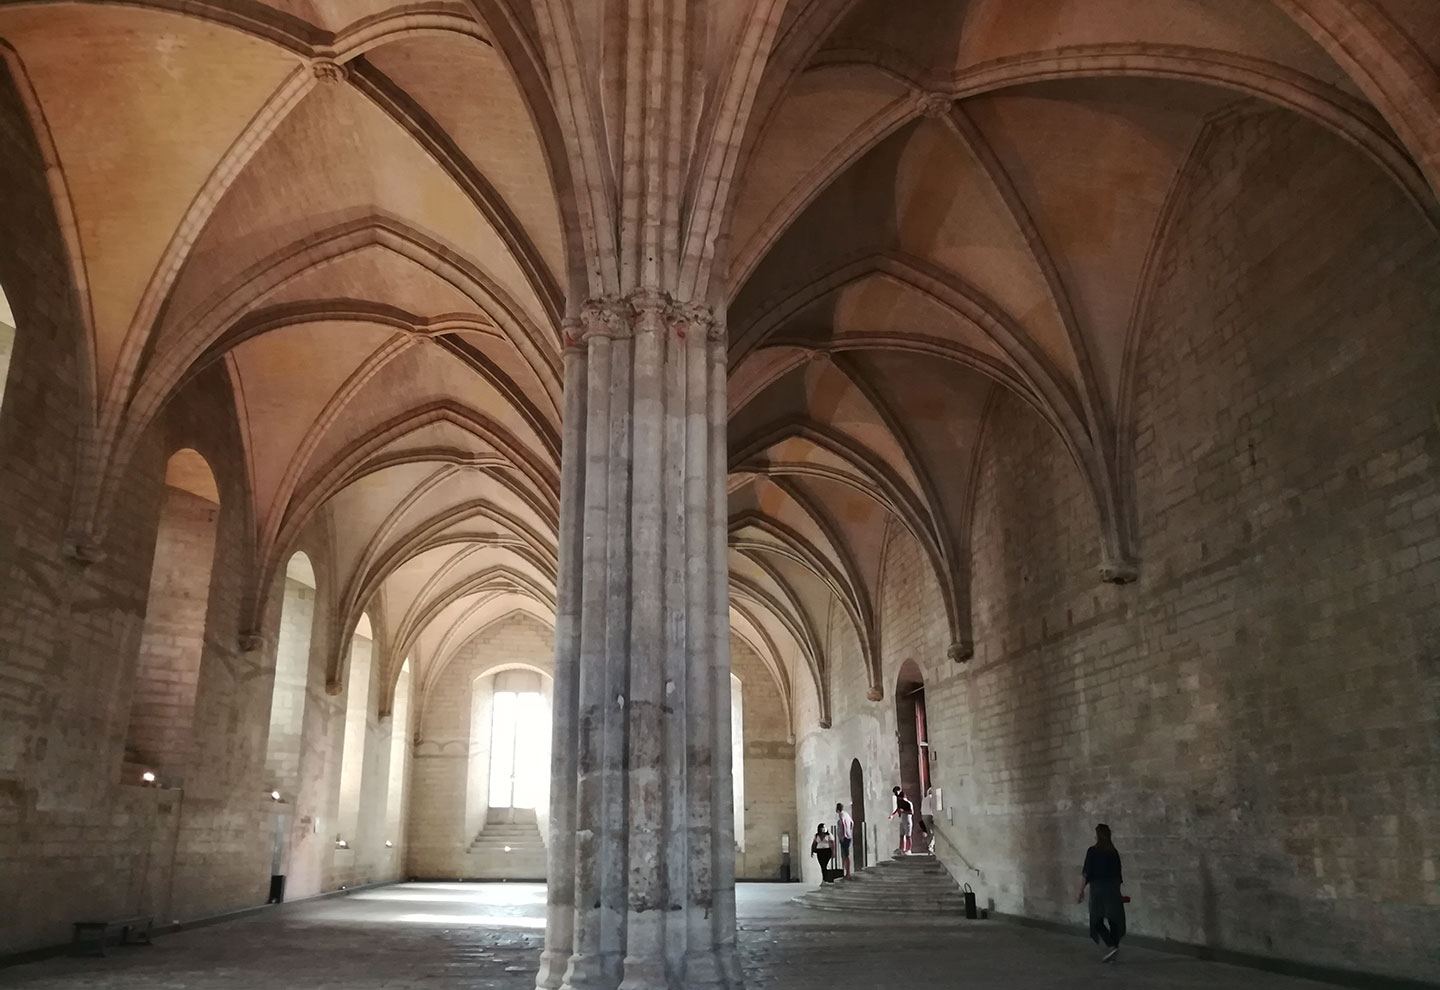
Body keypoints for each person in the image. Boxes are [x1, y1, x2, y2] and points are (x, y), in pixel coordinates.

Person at [1077, 823, 1126, 962]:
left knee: (1096, 919)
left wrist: (1081, 891)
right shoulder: (1113, 852)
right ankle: (1114, 945)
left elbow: (1086, 872)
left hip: (1098, 888)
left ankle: (1111, 944)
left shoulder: (1092, 851)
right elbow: (1118, 873)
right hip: (1113, 888)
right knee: (1113, 918)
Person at [887, 785, 914, 855]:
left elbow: (911, 812)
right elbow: (898, 809)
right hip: (902, 819)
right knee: (901, 835)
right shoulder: (899, 801)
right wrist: (892, 815)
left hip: (907, 820)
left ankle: (909, 849)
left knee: (908, 836)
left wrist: (903, 811)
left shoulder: (908, 803)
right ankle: (901, 849)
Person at [834, 802, 855, 877]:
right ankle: (847, 872)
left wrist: (844, 834)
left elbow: (843, 823)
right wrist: (850, 831)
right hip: (848, 837)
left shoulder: (841, 814)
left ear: (837, 809)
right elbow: (852, 822)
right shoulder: (846, 814)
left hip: (844, 838)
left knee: (845, 855)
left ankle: (848, 873)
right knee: (845, 855)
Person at [919, 786, 936, 853]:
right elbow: (932, 807)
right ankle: (930, 846)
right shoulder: (931, 798)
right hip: (929, 815)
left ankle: (929, 847)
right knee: (933, 833)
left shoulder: (924, 799)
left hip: (923, 815)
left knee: (929, 832)